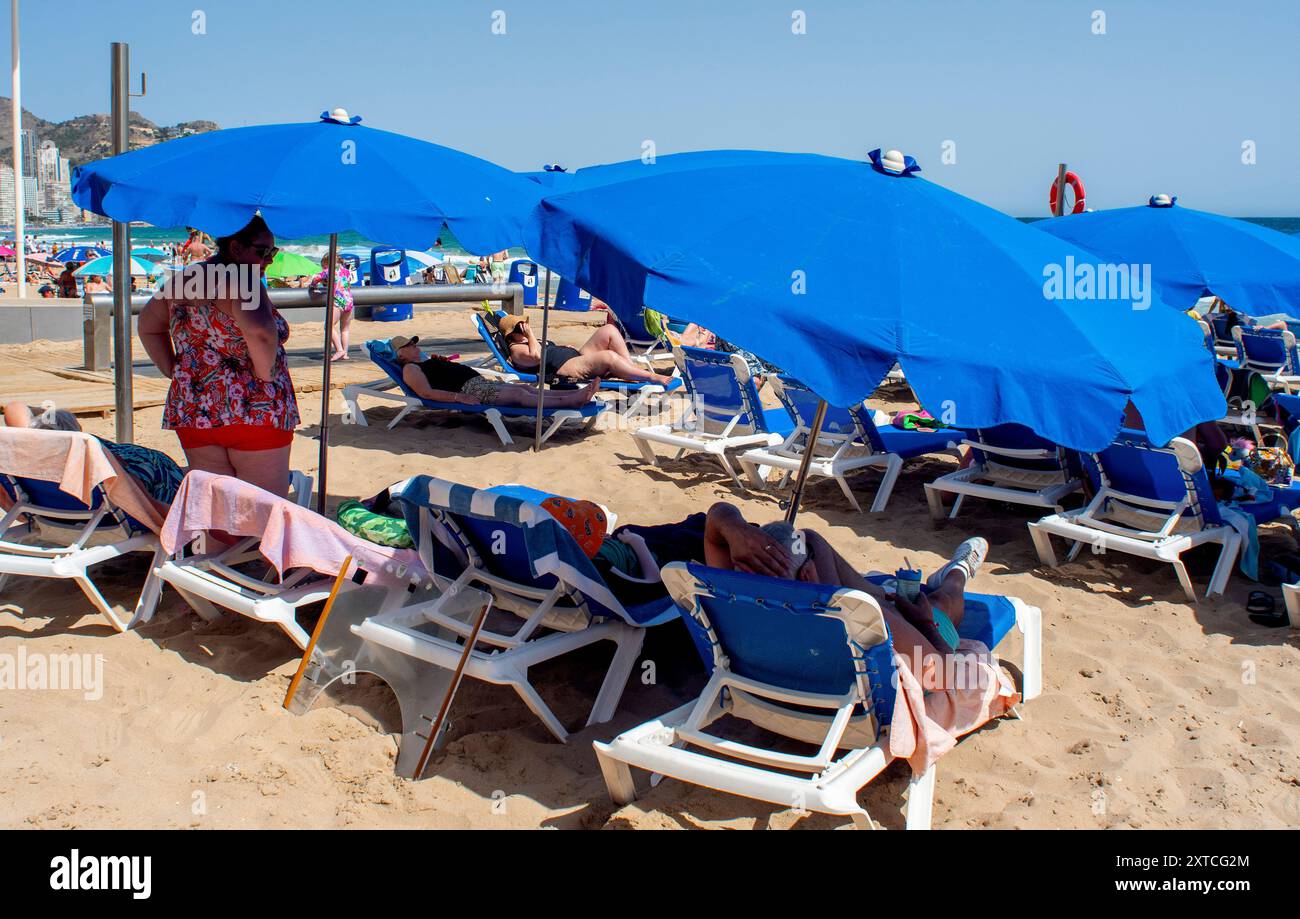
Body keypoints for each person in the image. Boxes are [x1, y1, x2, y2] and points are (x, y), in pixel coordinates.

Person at [138, 214, 299, 498]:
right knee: (261, 510)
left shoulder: (184, 279)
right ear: (235, 248)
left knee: (215, 509)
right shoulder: (244, 281)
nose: (270, 260)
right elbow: (261, 334)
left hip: (194, 407)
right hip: (253, 409)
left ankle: (217, 546)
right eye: (263, 252)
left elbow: (148, 326)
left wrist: (172, 369)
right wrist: (266, 376)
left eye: (273, 252)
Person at [1, 401, 183, 516]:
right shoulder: (97, 461)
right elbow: (143, 502)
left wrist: (41, 423)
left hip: (53, 511)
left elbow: (14, 406)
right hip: (156, 482)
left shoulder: (24, 460)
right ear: (75, 431)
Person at [392, 335, 599, 408]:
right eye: (409, 345)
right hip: (469, 389)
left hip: (476, 383)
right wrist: (459, 397)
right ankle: (574, 400)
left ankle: (573, 394)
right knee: (519, 394)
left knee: (527, 389)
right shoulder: (410, 369)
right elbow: (425, 393)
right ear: (401, 354)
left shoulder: (422, 361)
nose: (414, 345)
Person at [499, 314, 674, 385]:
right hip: (567, 367)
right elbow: (537, 357)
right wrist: (529, 335)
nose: (524, 328)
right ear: (510, 336)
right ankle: (650, 377)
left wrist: (561, 347)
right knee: (608, 357)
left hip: (574, 356)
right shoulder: (516, 350)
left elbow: (544, 350)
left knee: (609, 331)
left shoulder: (525, 342)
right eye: (519, 328)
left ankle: (631, 372)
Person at [310, 253, 354, 361]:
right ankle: (345, 353)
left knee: (328, 326)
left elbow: (316, 278)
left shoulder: (328, 271)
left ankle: (339, 350)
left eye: (323, 266)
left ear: (327, 263)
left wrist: (313, 286)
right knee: (345, 329)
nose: (323, 268)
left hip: (337, 301)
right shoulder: (346, 271)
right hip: (349, 301)